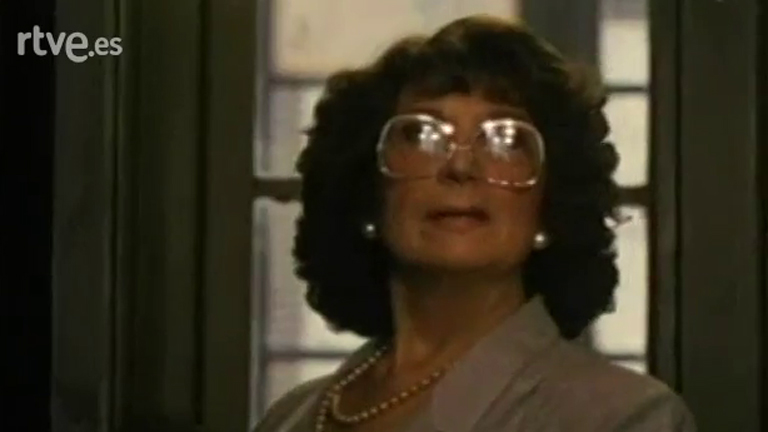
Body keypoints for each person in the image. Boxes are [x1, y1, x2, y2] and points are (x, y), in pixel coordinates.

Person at [255, 14, 696, 432]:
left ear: (550, 203)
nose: (461, 166)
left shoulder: (619, 417)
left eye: (506, 139)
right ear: (369, 193)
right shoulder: (293, 415)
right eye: (421, 134)